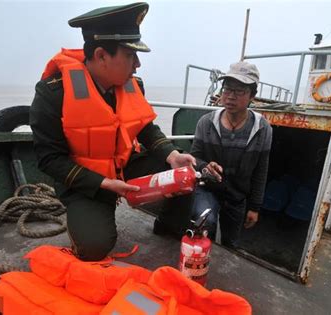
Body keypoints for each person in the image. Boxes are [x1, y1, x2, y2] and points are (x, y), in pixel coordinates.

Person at [29, 2, 195, 261]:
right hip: (86, 180)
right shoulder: (53, 93)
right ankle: (87, 220)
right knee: (94, 248)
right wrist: (104, 184)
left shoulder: (133, 85)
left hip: (125, 163)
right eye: (130, 55)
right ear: (101, 56)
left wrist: (171, 154)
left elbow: (145, 128)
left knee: (185, 175)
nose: (137, 64)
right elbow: (50, 159)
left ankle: (168, 226)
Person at [189, 61, 273, 248]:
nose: (230, 97)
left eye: (239, 91)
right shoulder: (206, 123)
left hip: (238, 195)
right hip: (208, 188)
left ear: (252, 95)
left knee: (231, 242)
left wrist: (254, 207)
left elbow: (261, 170)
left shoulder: (262, 129)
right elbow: (194, 158)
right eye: (227, 89)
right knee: (204, 227)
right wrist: (204, 166)